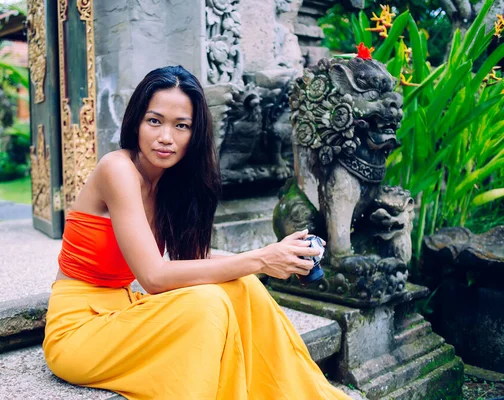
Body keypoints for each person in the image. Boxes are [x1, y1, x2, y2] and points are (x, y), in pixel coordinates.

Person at [43, 65, 352, 400]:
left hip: (124, 310)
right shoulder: (117, 169)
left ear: (195, 133)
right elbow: (155, 277)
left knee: (242, 285)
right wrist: (260, 260)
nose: (166, 137)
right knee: (208, 303)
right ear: (136, 121)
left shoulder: (169, 182)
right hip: (79, 330)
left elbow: (190, 258)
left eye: (181, 126)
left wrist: (273, 255)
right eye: (155, 121)